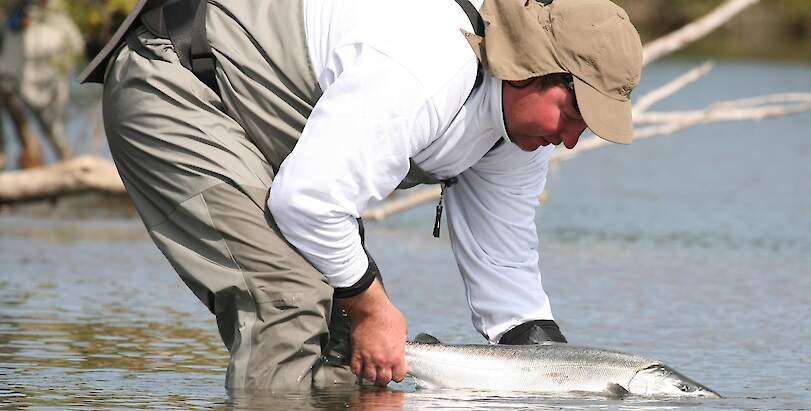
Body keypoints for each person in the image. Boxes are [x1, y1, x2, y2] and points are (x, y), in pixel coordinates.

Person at [79, 0, 642, 391]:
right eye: (573, 113)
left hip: (271, 133)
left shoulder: (521, 138)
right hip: (179, 82)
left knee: (346, 342)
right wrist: (373, 307)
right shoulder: (427, 67)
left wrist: (557, 370)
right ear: (529, 74)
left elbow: (508, 283)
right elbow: (309, 203)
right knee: (290, 301)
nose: (571, 139)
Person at [0, 0, 84, 164]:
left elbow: (76, 47)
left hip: (51, 84)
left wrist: (63, 67)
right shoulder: (16, 16)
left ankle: (67, 162)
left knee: (56, 132)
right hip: (15, 82)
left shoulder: (58, 17)